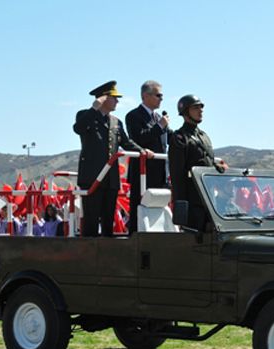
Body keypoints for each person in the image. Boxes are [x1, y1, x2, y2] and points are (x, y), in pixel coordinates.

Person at [73, 81, 153, 237]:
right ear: (103, 98)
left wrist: (142, 151)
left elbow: (126, 143)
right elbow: (78, 128)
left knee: (108, 221)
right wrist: (95, 108)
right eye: (114, 97)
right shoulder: (86, 115)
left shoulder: (116, 122)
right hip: (92, 178)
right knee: (91, 222)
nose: (117, 101)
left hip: (110, 179)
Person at [168, 95, 226, 230]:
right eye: (195, 108)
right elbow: (177, 176)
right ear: (185, 112)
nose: (200, 111)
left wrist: (216, 167)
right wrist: (181, 205)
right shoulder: (180, 138)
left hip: (208, 198)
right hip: (192, 199)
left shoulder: (204, 136)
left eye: (201, 108)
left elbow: (207, 161)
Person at [126, 80, 173, 234]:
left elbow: (171, 139)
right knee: (139, 207)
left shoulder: (159, 117)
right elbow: (139, 138)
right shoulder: (133, 116)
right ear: (145, 96)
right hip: (143, 173)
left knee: (158, 208)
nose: (161, 99)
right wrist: (159, 126)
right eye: (158, 95)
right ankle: (135, 237)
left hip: (160, 172)